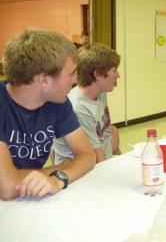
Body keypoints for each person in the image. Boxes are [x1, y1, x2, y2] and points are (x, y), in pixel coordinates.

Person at [0, 27, 96, 201]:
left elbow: (87, 155)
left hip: (24, 200)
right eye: (70, 74)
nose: (75, 81)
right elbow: (6, 187)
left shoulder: (57, 101)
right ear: (44, 80)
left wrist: (59, 179)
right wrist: (57, 168)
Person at [53, 43, 121, 164]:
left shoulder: (100, 92)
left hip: (99, 163)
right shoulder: (79, 108)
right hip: (83, 173)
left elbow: (100, 128)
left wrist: (113, 129)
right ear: (98, 75)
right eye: (114, 71)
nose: (118, 75)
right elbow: (99, 161)